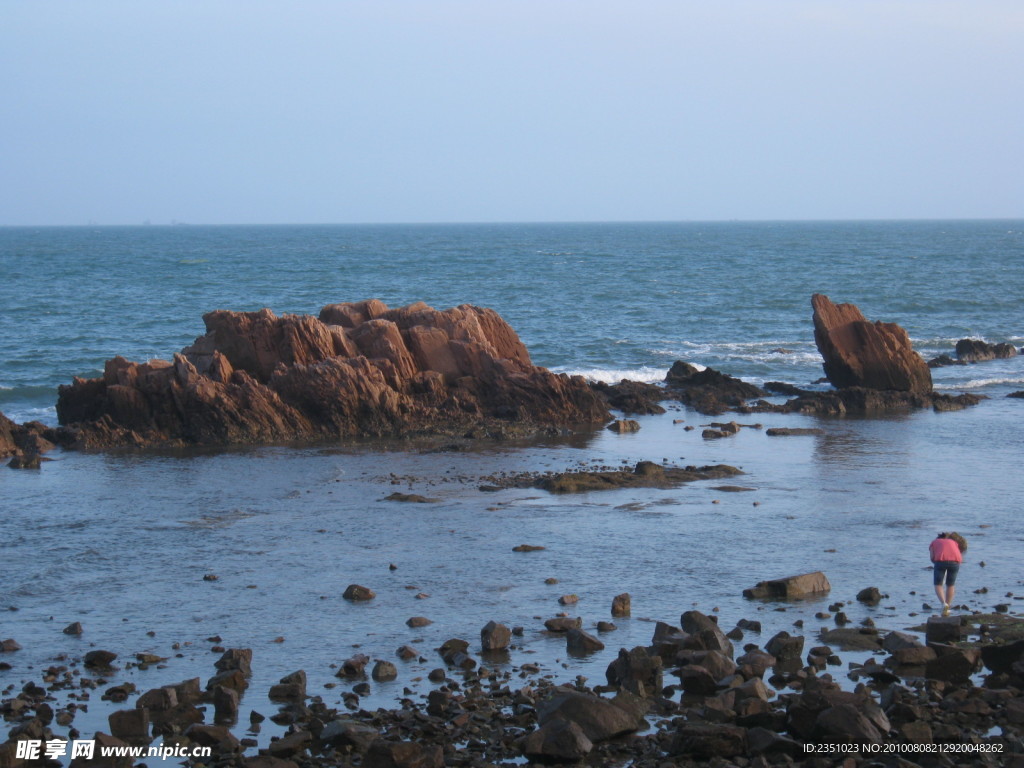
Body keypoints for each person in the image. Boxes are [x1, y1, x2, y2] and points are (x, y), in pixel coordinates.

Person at [929, 532, 963, 616]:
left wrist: (937, 563)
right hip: (955, 562)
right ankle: (948, 606)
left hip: (940, 561)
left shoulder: (934, 542)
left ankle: (944, 604)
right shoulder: (954, 542)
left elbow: (932, 557)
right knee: (951, 585)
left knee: (938, 584)